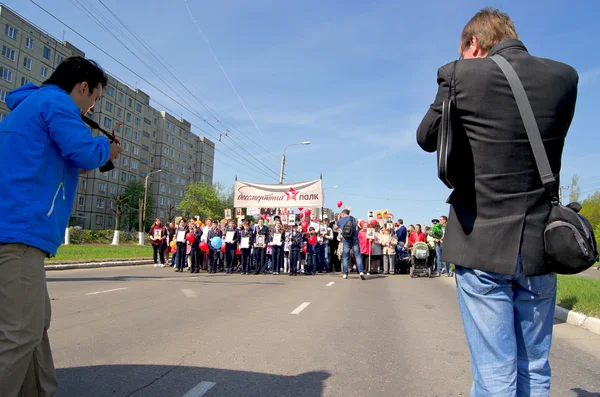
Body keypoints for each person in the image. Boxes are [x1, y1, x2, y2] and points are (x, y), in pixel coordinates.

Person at [416, 8, 578, 396]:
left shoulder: (460, 74)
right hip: (542, 245)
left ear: (473, 44)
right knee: (534, 368)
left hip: (482, 243)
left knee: (494, 374)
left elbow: (426, 137)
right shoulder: (565, 77)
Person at [0, 56, 122, 396]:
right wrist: (106, 149)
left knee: (34, 325)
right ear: (83, 87)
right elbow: (83, 153)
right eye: (94, 98)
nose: (92, 108)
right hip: (19, 232)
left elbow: (64, 159)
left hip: (12, 228)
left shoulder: (31, 105)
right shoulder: (56, 102)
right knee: (21, 332)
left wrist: (91, 155)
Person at [334, 209, 366, 280]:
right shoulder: (353, 218)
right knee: (357, 255)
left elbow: (335, 228)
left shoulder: (341, 220)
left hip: (346, 238)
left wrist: (338, 220)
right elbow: (356, 224)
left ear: (343, 214)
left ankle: (345, 273)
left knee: (345, 256)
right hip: (354, 238)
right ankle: (361, 272)